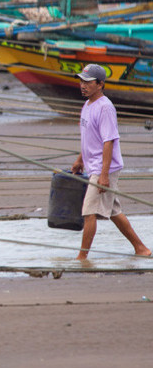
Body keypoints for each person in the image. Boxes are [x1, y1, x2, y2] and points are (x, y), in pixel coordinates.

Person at [71, 63, 151, 261]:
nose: (83, 85)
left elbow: (109, 141)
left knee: (89, 211)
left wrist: (104, 175)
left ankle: (82, 257)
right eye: (82, 81)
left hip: (104, 168)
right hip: (94, 167)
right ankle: (141, 249)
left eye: (88, 82)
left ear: (100, 84)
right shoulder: (87, 104)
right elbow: (88, 137)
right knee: (114, 211)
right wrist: (80, 159)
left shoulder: (105, 107)